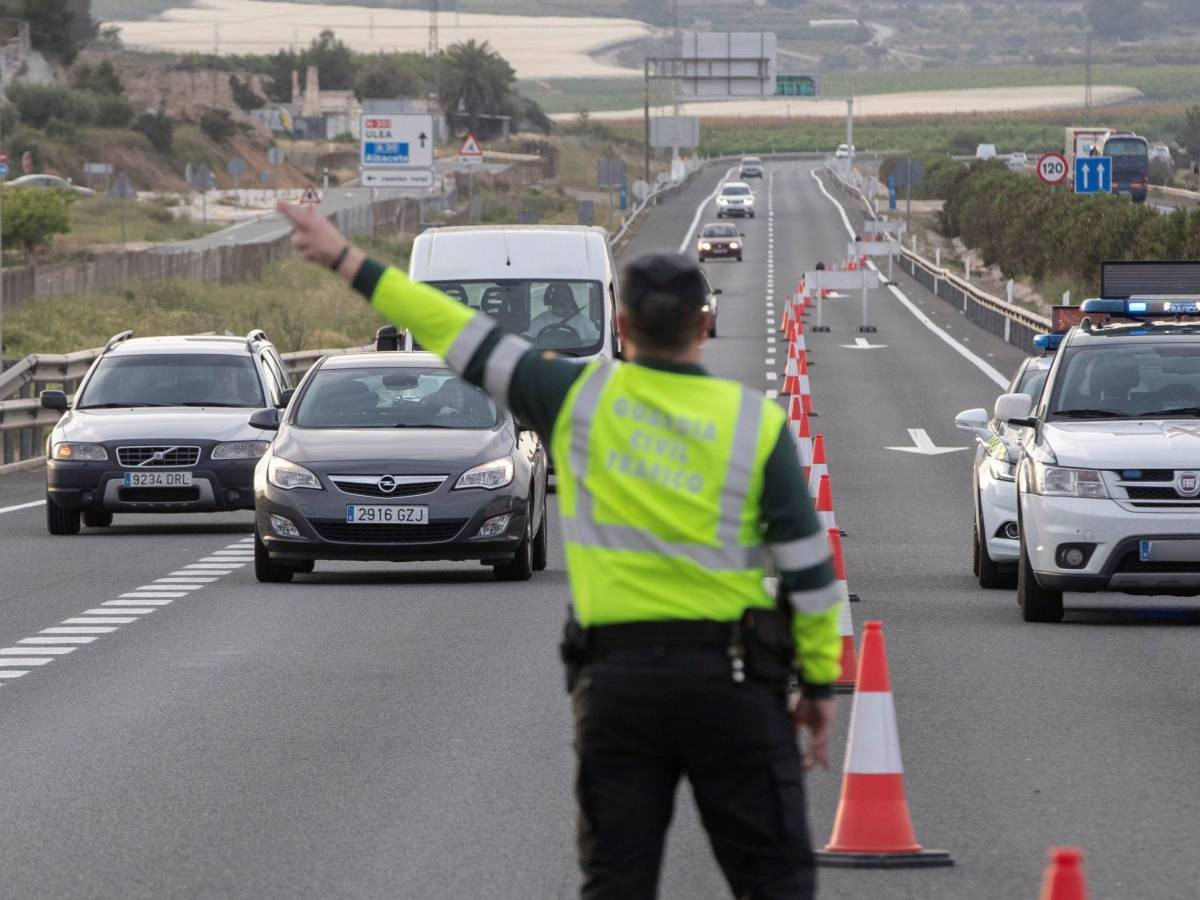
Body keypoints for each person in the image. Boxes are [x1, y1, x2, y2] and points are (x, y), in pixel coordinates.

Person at [276, 201, 841, 900]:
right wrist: (815, 684)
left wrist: (342, 256)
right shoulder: (756, 424)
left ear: (622, 326)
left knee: (615, 883)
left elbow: (456, 332)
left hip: (619, 686)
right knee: (775, 883)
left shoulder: (575, 397)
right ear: (706, 324)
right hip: (733, 683)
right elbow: (811, 573)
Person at [525, 281, 599, 345]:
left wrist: (580, 345)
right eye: (557, 298)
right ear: (551, 302)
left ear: (571, 302)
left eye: (564, 298)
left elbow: (596, 340)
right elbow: (526, 339)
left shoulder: (583, 322)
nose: (560, 302)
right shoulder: (540, 321)